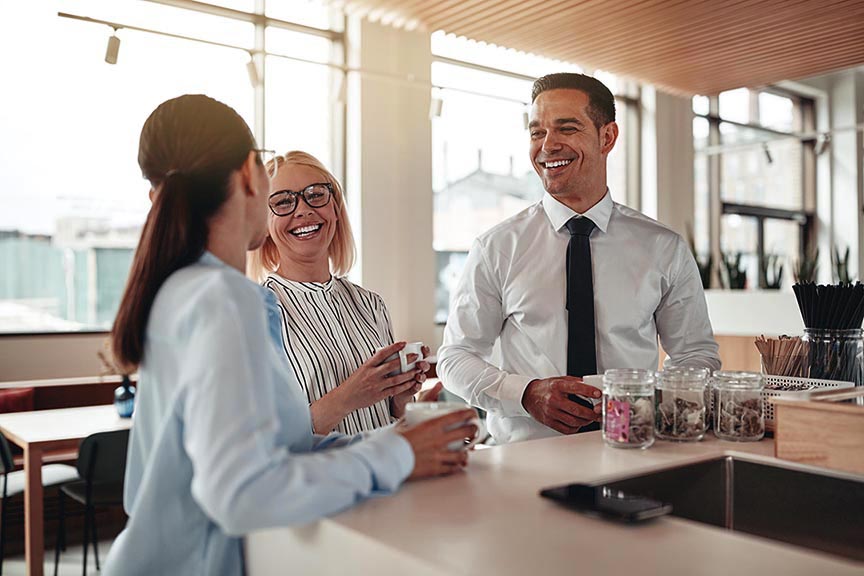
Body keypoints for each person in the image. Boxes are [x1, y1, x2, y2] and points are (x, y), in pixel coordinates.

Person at [103, 95, 476, 576]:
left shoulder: (187, 289)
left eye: (317, 195)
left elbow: (285, 447)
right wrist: (397, 453)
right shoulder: (224, 299)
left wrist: (405, 440)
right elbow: (242, 492)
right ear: (247, 176)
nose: (300, 209)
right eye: (279, 193)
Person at [438, 73, 720, 445]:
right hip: (524, 462)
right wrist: (525, 393)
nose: (547, 145)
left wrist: (645, 400)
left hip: (634, 452)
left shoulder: (662, 247)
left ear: (607, 137)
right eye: (537, 132)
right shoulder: (497, 247)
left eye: (566, 129)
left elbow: (696, 356)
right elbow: (455, 358)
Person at [248, 151, 441, 436]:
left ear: (335, 209)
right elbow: (268, 440)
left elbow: (390, 422)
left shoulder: (371, 304)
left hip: (387, 475)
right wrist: (348, 397)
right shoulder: (254, 314)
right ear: (264, 224)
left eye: (315, 195)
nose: (303, 210)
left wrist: (401, 399)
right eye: (283, 202)